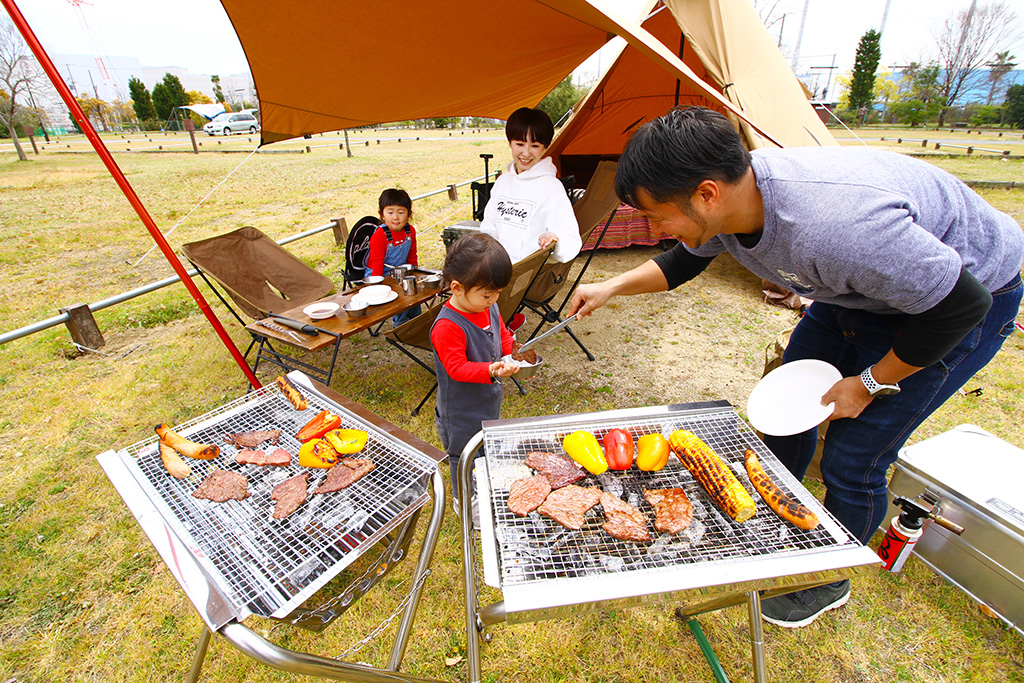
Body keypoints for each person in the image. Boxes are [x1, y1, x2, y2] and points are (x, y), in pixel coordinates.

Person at [569, 106, 1023, 628]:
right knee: (783, 416)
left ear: (707, 194)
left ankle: (826, 580)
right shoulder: (733, 200)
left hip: (957, 301)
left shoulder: (838, 229)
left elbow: (962, 306)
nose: (654, 228)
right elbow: (683, 260)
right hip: (858, 288)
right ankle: (781, 519)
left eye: (657, 216)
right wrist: (611, 286)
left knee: (854, 458)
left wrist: (869, 383)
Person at [430, 233, 521, 509]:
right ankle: (464, 500)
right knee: (462, 454)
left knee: (483, 444)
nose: (494, 299)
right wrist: (492, 369)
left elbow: (501, 333)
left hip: (486, 400)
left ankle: (481, 483)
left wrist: (510, 353)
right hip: (459, 410)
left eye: (498, 293)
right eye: (487, 294)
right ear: (457, 288)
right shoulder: (448, 326)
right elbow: (456, 368)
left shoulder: (487, 307)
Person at [481, 107, 581, 265]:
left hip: (527, 273)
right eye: (520, 144)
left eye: (535, 146)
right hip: (496, 267)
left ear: (545, 147)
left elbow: (571, 241)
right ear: (510, 143)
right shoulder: (503, 181)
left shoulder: (552, 188)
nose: (526, 153)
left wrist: (553, 243)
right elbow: (489, 225)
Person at [364, 188, 420, 325]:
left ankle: (417, 323)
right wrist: (377, 288)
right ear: (382, 214)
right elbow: (376, 264)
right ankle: (401, 326)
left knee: (415, 296)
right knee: (401, 299)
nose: (395, 217)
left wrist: (414, 275)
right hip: (380, 276)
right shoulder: (380, 235)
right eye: (390, 212)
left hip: (402, 273)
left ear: (409, 214)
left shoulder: (410, 231)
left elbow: (412, 256)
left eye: (401, 212)